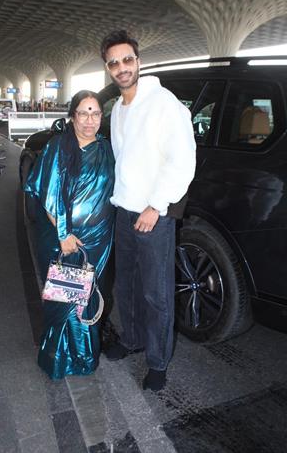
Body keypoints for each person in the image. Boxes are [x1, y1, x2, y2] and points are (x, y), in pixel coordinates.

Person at [100, 30, 196, 392]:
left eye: (127, 60)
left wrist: (157, 206)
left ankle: (157, 361)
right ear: (108, 69)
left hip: (153, 216)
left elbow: (183, 161)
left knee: (155, 293)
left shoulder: (164, 104)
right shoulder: (120, 110)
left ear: (138, 61)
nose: (122, 67)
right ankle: (133, 338)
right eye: (114, 63)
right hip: (124, 212)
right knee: (126, 285)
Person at [24, 90, 115, 380]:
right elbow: (49, 194)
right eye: (84, 113)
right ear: (72, 116)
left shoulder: (106, 149)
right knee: (65, 299)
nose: (90, 120)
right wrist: (64, 234)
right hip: (65, 239)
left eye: (96, 113)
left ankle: (84, 356)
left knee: (87, 296)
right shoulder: (57, 147)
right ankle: (60, 358)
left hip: (98, 238)